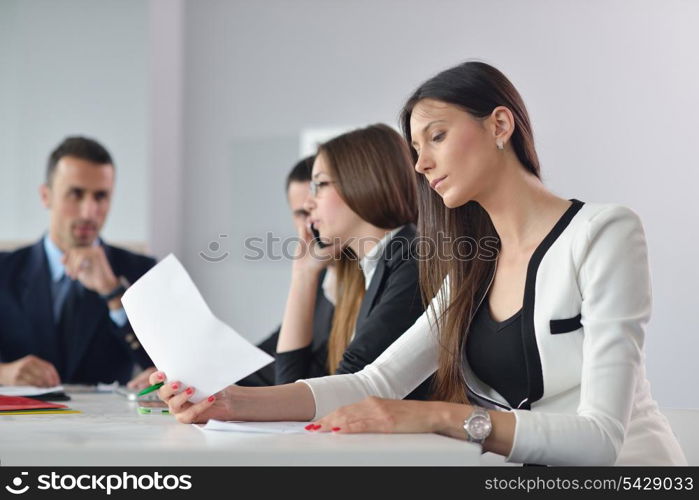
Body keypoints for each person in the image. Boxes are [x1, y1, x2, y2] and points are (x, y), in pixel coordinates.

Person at [152, 62, 686, 465]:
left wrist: (434, 416)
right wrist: (230, 403)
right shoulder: (472, 267)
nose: (421, 162)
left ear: (501, 125)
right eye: (415, 147)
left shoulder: (604, 233)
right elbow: (373, 382)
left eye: (437, 136)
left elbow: (599, 437)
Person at [248, 125, 431, 397]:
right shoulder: (380, 264)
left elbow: (345, 387)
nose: (310, 204)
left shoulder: (412, 261)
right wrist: (304, 274)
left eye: (320, 185)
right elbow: (291, 383)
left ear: (362, 182)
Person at [0, 136, 156, 387]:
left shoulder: (141, 272)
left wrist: (113, 293)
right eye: (76, 194)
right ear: (45, 196)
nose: (88, 212)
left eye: (101, 196)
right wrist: (3, 374)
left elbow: (165, 367)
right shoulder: (4, 271)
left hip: (112, 423)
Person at [237, 155, 335, 386]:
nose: (312, 221)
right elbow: (275, 352)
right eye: (301, 214)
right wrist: (202, 379)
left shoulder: (374, 276)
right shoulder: (322, 275)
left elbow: (298, 376)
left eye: (315, 207)